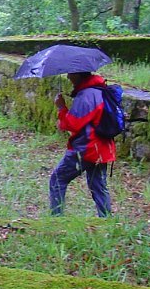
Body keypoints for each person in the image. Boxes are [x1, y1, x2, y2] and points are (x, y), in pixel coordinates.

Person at [49, 71, 115, 217]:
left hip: (87, 148)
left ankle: (55, 220)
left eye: (71, 74)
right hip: (102, 148)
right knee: (98, 186)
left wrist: (61, 108)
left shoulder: (87, 95)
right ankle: (107, 221)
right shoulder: (100, 90)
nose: (68, 77)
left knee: (58, 179)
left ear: (79, 75)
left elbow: (73, 123)